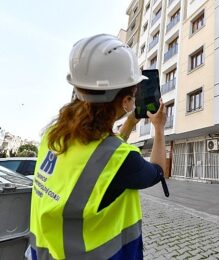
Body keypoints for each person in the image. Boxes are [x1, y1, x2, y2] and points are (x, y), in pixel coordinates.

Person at [29, 34, 167, 259]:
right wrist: (159, 128)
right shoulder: (121, 159)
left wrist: (130, 123)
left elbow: (102, 156)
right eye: (133, 94)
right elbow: (158, 172)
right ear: (126, 102)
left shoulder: (52, 136)